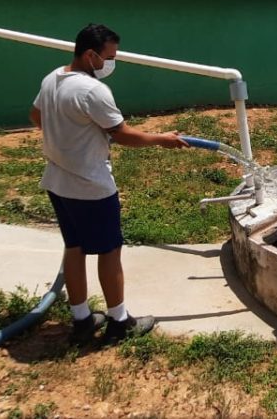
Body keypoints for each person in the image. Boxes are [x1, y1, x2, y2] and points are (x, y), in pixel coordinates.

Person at [30, 23, 188, 344]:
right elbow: (123, 134)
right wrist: (162, 139)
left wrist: (67, 135)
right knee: (110, 251)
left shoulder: (52, 79)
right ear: (90, 55)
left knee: (73, 249)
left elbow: (36, 116)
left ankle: (82, 319)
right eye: (109, 56)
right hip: (91, 187)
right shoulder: (91, 90)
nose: (111, 63)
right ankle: (119, 322)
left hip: (58, 182)